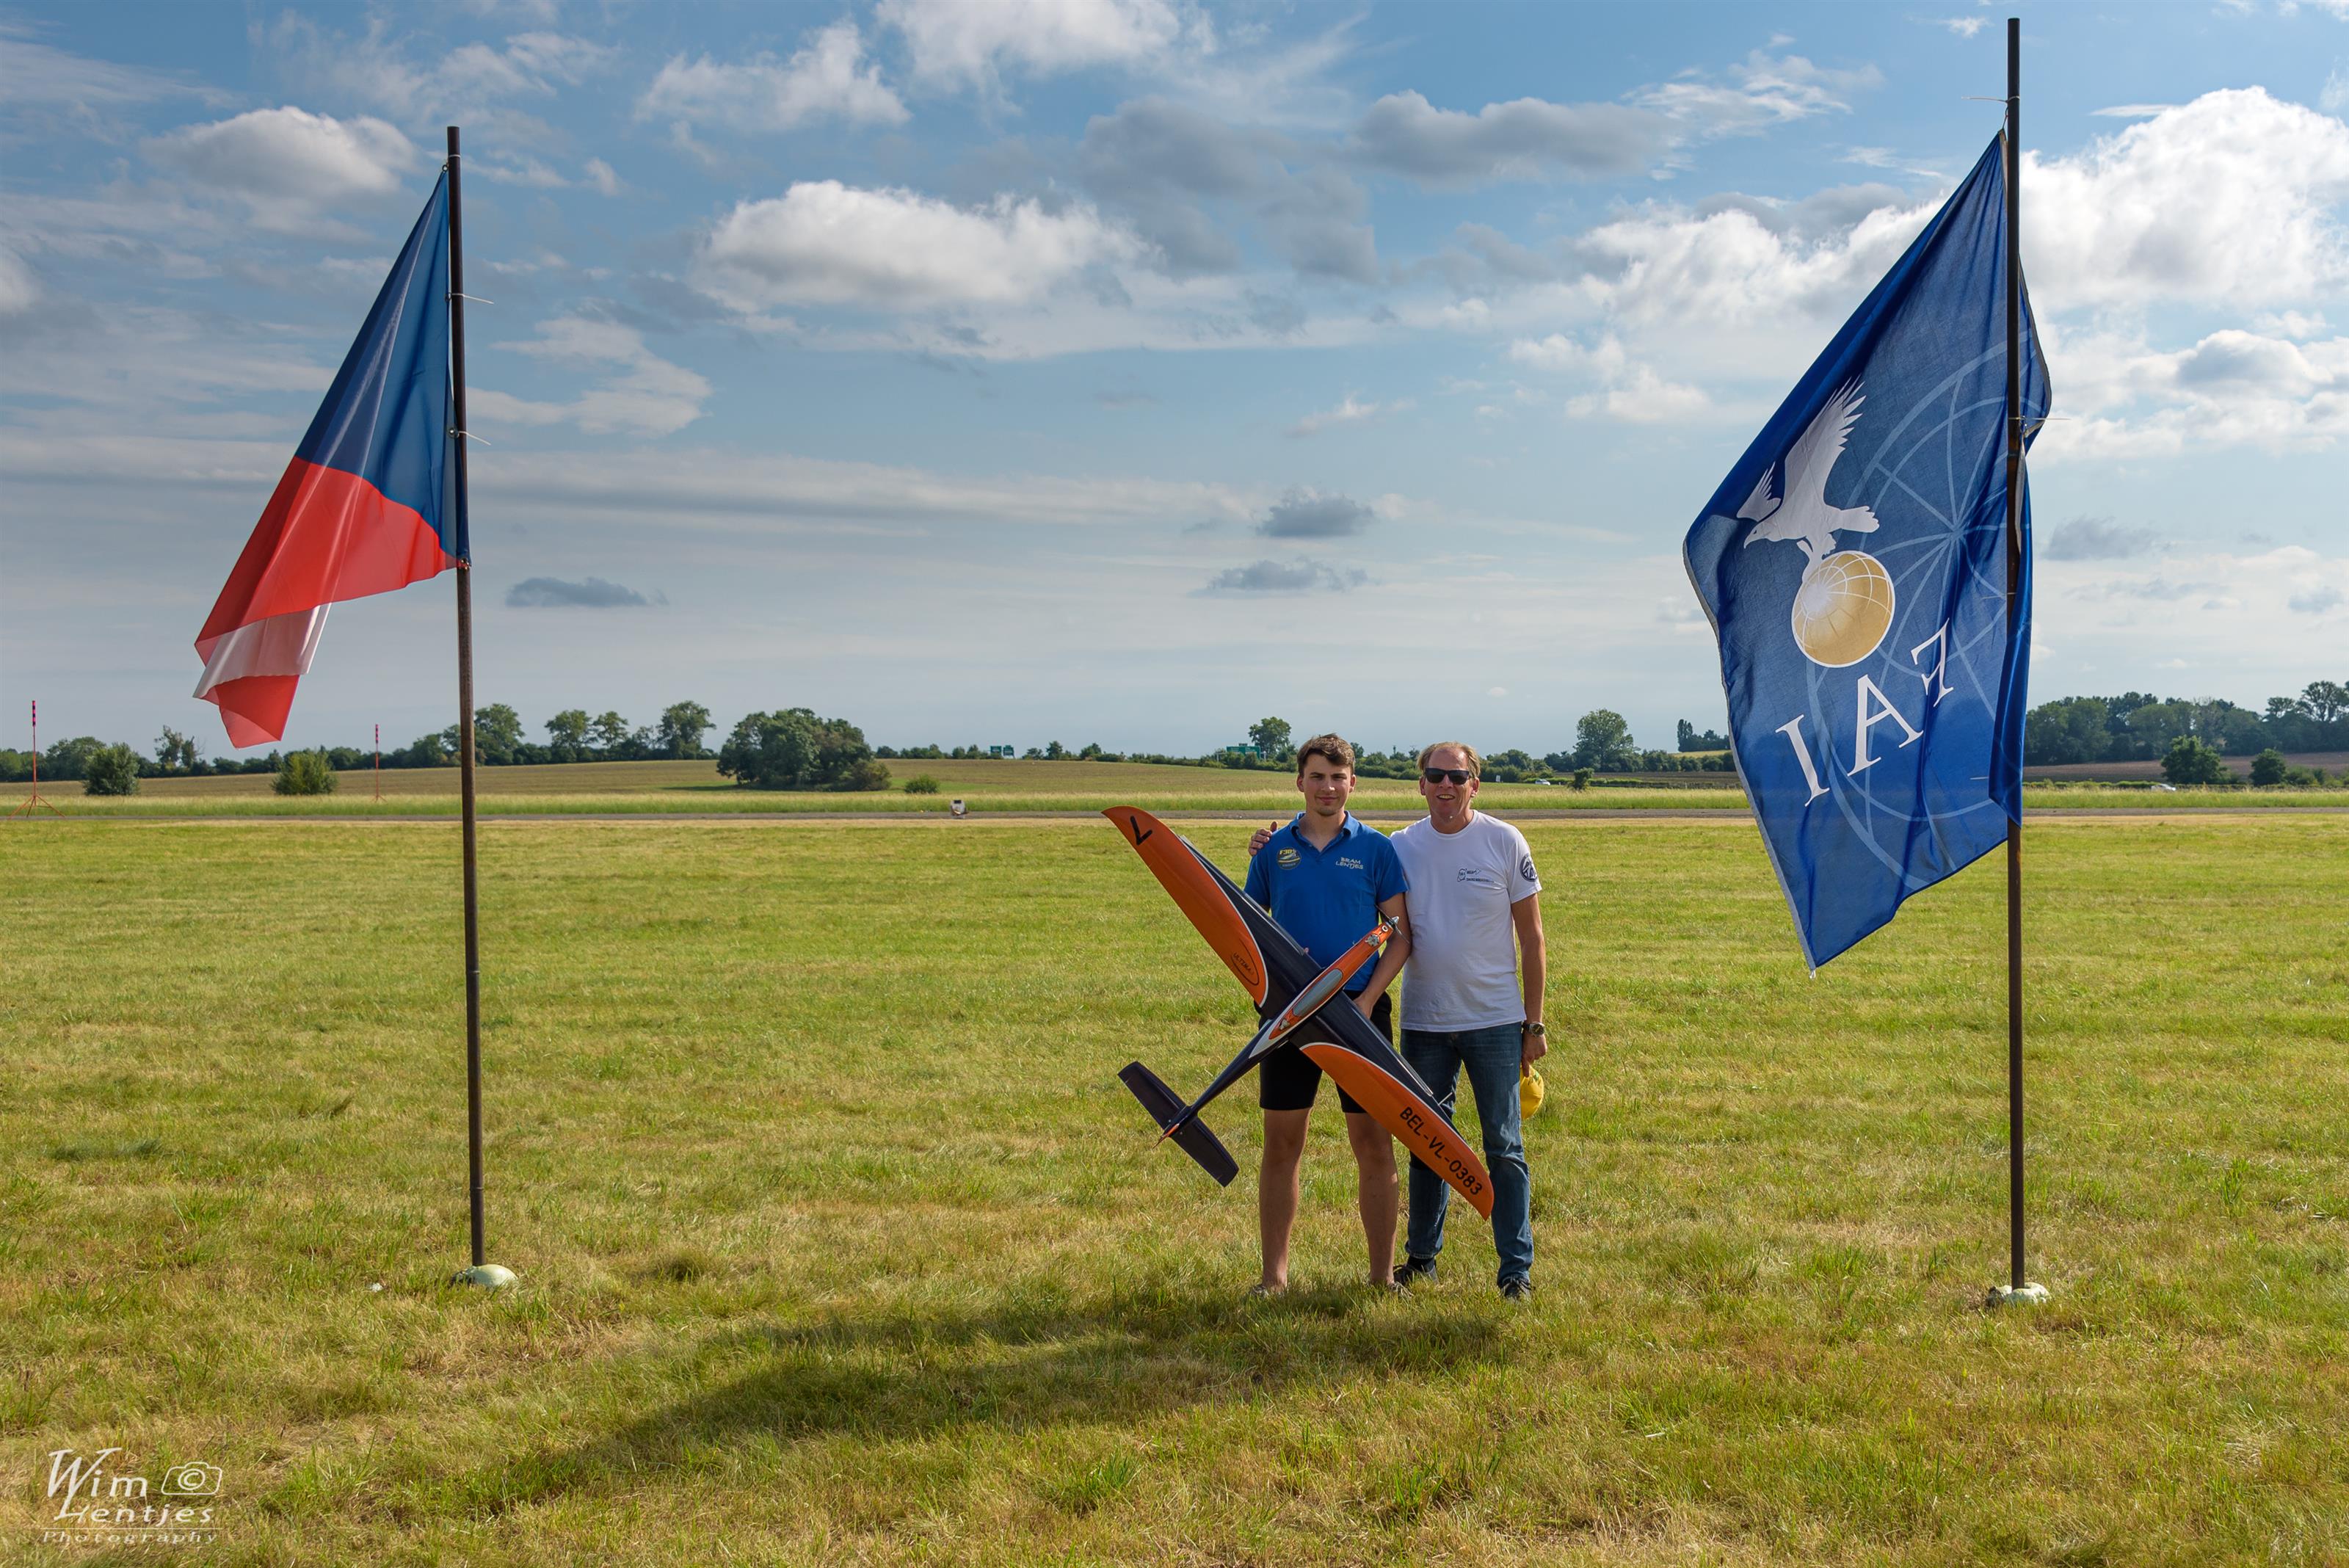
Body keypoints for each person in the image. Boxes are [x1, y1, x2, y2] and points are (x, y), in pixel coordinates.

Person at [1242, 734, 1411, 1293]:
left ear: (1352, 784)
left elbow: (1401, 937)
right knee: (1282, 1143)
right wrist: (1268, 996)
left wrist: (1365, 1003)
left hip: (1358, 1015)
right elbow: (1247, 931)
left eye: (1338, 778)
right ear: (1300, 782)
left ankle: (1382, 1277)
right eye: (1317, 777)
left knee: (1373, 1144)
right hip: (1289, 1015)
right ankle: (1274, 1278)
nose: (1327, 787)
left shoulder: (1377, 849)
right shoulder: (1273, 849)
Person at [1389, 743, 1548, 1297]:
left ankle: (1515, 1273)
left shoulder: (1504, 841)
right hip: (1425, 1023)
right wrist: (1270, 841)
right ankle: (1421, 1258)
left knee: (1504, 1146)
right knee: (1428, 1141)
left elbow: (1531, 937)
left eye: (1458, 776)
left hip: (1496, 1022)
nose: (1446, 786)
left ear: (1475, 785)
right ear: (1422, 784)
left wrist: (1534, 1024)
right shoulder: (1401, 846)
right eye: (1436, 776)